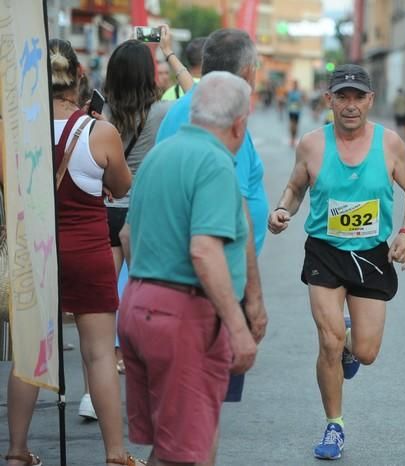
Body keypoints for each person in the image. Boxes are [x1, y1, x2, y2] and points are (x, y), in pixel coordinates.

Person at [267, 64, 405, 460]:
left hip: (372, 255)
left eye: (358, 97)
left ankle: (351, 349)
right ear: (329, 100)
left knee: (366, 352)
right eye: (342, 97)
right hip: (325, 252)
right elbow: (294, 188)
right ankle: (334, 424)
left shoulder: (389, 144)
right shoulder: (311, 144)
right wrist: (282, 211)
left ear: (370, 100)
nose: (350, 105)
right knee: (329, 341)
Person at [7, 38, 136, 466]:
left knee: (29, 352)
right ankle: (115, 452)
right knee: (98, 353)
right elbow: (121, 188)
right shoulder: (101, 132)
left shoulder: (14, 132)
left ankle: (18, 450)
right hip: (88, 252)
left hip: (35, 253)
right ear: (80, 77)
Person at [118, 71, 257, 466]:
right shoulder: (215, 163)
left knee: (172, 444)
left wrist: (151, 293)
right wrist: (237, 326)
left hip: (139, 303)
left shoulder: (158, 155)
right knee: (182, 455)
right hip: (183, 314)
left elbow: (128, 236)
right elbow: (204, 251)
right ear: (239, 123)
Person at [156, 28, 268, 401]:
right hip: (209, 287)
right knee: (200, 408)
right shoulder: (228, 119)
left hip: (171, 281)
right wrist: (250, 302)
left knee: (187, 409)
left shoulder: (186, 106)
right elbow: (230, 216)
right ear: (249, 71)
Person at [99, 27, 193, 405]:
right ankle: (151, 373)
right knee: (149, 299)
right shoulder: (162, 112)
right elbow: (198, 93)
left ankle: (99, 384)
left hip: (105, 213)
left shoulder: (101, 114)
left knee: (105, 305)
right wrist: (169, 53)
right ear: (149, 74)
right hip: (145, 215)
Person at [287, 80, 303, 146]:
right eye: (294, 84)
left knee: (296, 125)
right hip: (291, 111)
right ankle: (292, 138)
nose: (295, 85)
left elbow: (301, 101)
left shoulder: (299, 93)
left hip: (297, 112)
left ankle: (294, 138)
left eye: (296, 84)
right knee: (292, 125)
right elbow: (288, 101)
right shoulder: (290, 92)